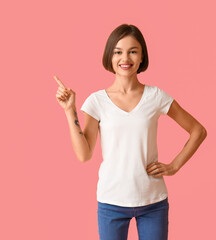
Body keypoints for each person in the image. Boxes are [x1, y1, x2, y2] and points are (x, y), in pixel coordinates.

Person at [54, 24, 207, 240]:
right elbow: (84, 154)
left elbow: (198, 131)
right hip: (111, 202)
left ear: (142, 56)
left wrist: (174, 166)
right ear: (110, 56)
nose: (125, 58)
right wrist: (70, 111)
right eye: (118, 52)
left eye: (133, 51)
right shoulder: (97, 101)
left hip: (153, 202)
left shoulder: (156, 97)